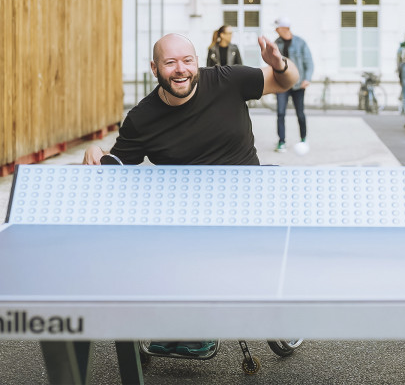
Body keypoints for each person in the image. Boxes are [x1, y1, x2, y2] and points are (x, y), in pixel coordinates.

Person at [83, 32, 299, 357]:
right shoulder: (142, 119)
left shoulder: (228, 80)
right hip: (189, 212)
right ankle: (184, 324)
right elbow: (114, 168)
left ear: (197, 62)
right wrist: (96, 150)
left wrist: (279, 63)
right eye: (170, 63)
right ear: (155, 69)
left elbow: (286, 82)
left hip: (248, 198)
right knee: (151, 242)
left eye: (187, 60)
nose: (180, 69)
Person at [273, 17, 314, 153]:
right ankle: (281, 142)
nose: (275, 30)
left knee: (300, 113)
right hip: (281, 84)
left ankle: (303, 139)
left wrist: (307, 79)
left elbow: (309, 62)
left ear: (284, 29)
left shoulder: (300, 43)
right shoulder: (276, 44)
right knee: (280, 113)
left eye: (277, 28)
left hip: (298, 84)